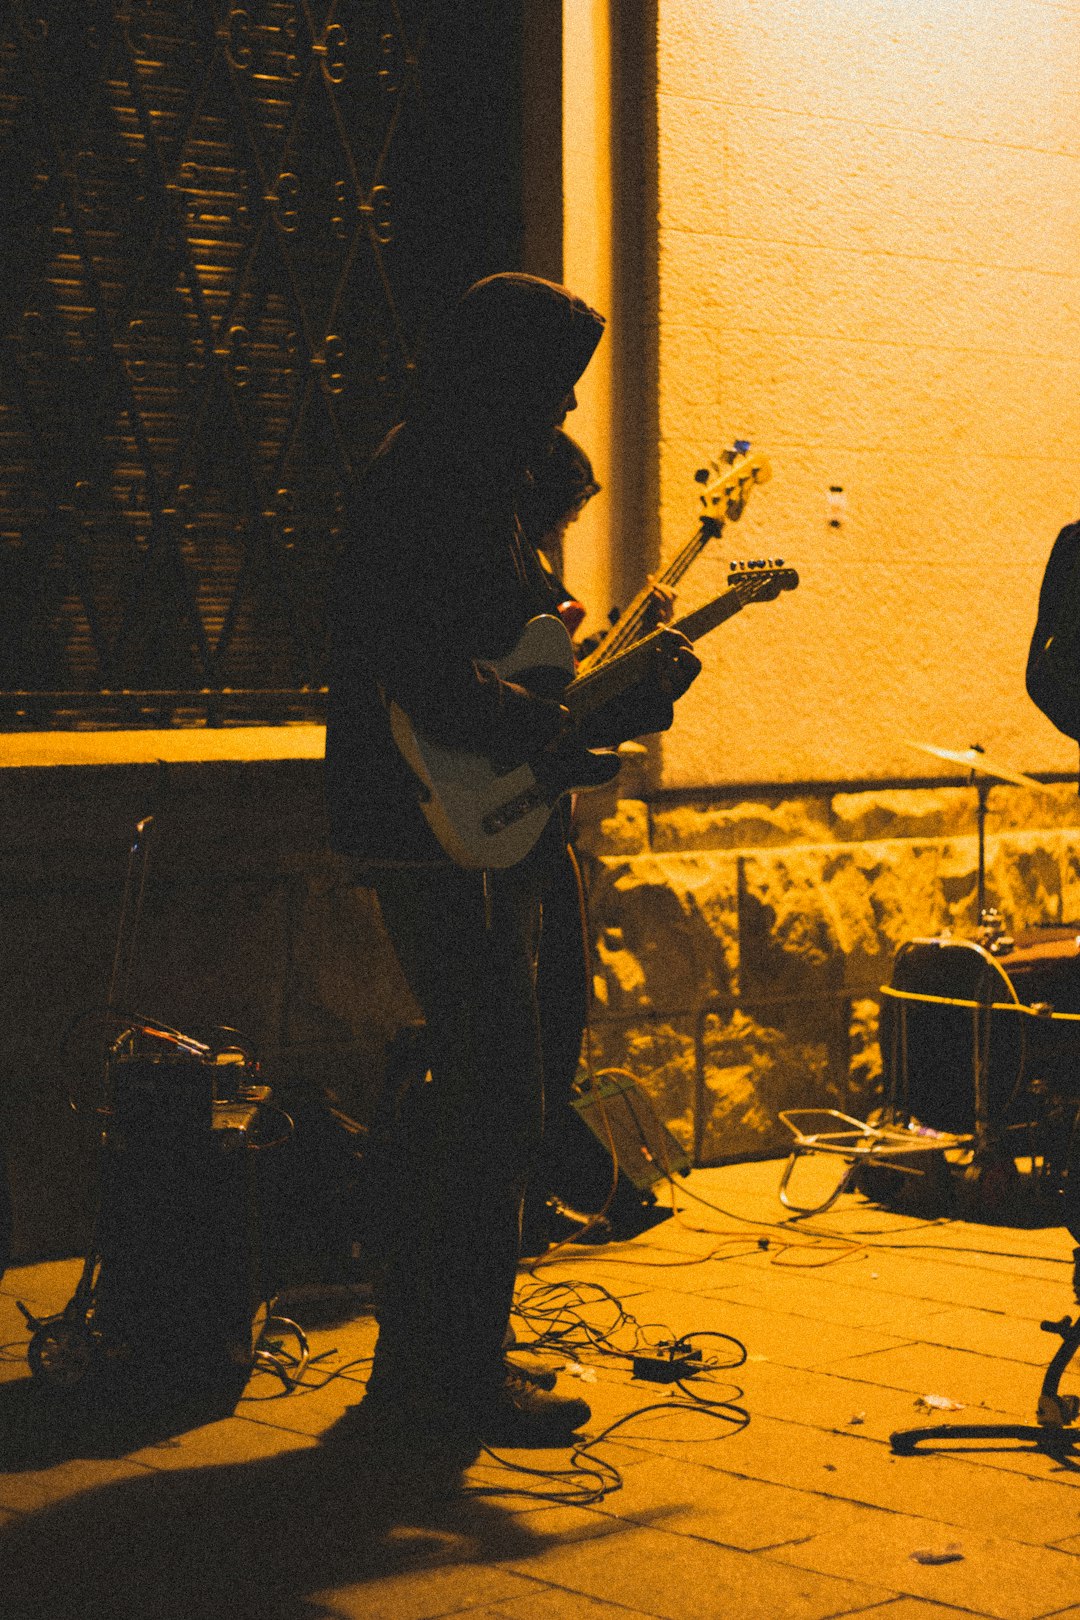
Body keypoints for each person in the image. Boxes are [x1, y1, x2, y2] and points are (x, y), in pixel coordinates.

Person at [325, 272, 700, 1471]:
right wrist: (543, 734)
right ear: (499, 371)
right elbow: (413, 667)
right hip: (435, 821)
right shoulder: (420, 477)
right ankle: (434, 1386)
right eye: (555, 377)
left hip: (498, 818)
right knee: (488, 1095)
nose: (571, 398)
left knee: (518, 1086)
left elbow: (512, 651)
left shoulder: (477, 477)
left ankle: (455, 1351)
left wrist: (616, 689)